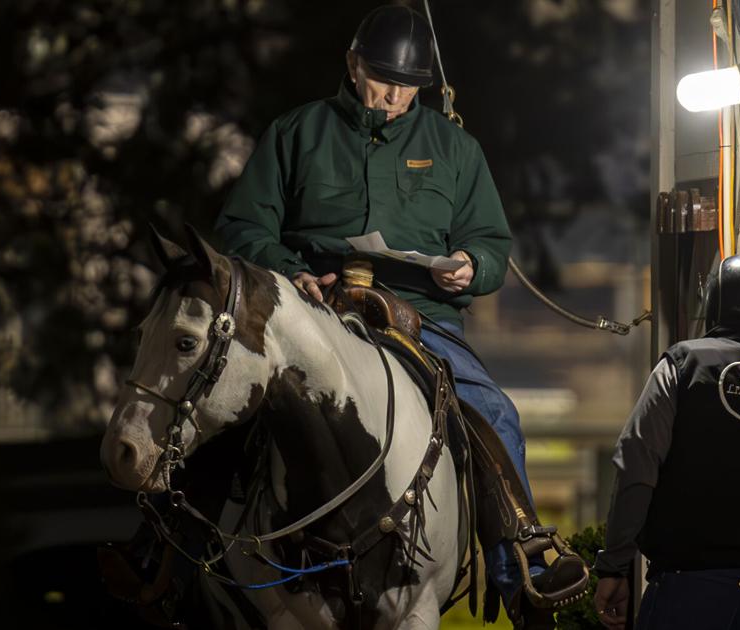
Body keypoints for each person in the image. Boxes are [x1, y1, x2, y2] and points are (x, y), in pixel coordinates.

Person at [214, 5, 579, 627]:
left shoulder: (454, 146)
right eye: (384, 79)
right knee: (222, 400)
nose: (395, 95)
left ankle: (523, 564)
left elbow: (491, 243)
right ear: (354, 66)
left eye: (408, 86)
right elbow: (242, 227)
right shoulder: (296, 133)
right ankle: (175, 558)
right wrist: (290, 269)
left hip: (422, 318)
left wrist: (469, 265)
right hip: (314, 311)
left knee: (494, 410)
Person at [593, 252, 740, 630]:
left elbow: (635, 466)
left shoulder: (683, 364)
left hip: (693, 588)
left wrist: (614, 565)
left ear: (712, 302)